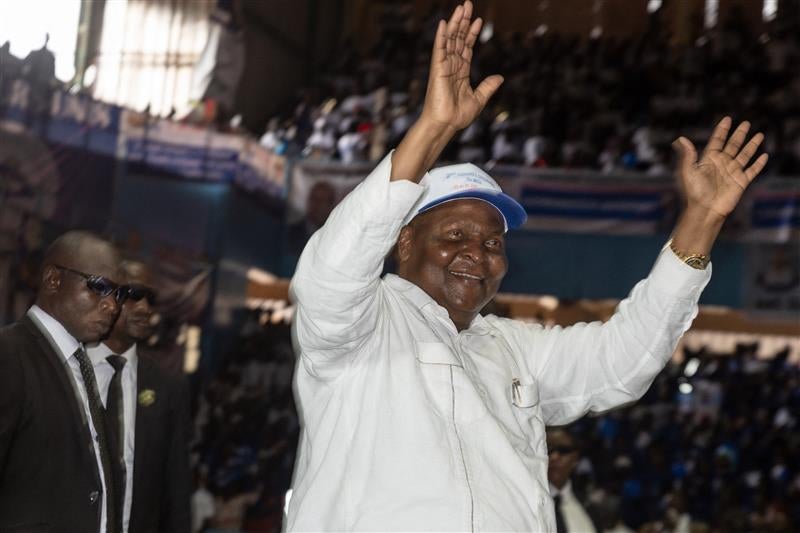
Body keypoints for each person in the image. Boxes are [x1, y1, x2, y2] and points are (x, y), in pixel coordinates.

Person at [286, 2, 769, 530]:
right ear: (403, 242)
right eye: (455, 236)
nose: (479, 253)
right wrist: (433, 128)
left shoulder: (513, 349)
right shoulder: (361, 329)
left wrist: (700, 221)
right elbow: (331, 272)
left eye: (494, 243)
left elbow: (620, 363)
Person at [0, 231, 126, 532]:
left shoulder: (80, 363)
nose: (113, 306)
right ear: (54, 279)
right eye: (100, 287)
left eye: (118, 294)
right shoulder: (8, 355)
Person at [86, 260, 192, 533]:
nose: (145, 309)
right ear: (107, 297)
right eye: (133, 295)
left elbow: (177, 486)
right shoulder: (67, 370)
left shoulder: (168, 387)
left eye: (151, 298)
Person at [547, 428, 597, 533]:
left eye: (563, 450)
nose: (554, 457)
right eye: (548, 449)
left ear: (575, 458)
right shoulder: (525, 502)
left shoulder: (588, 506)